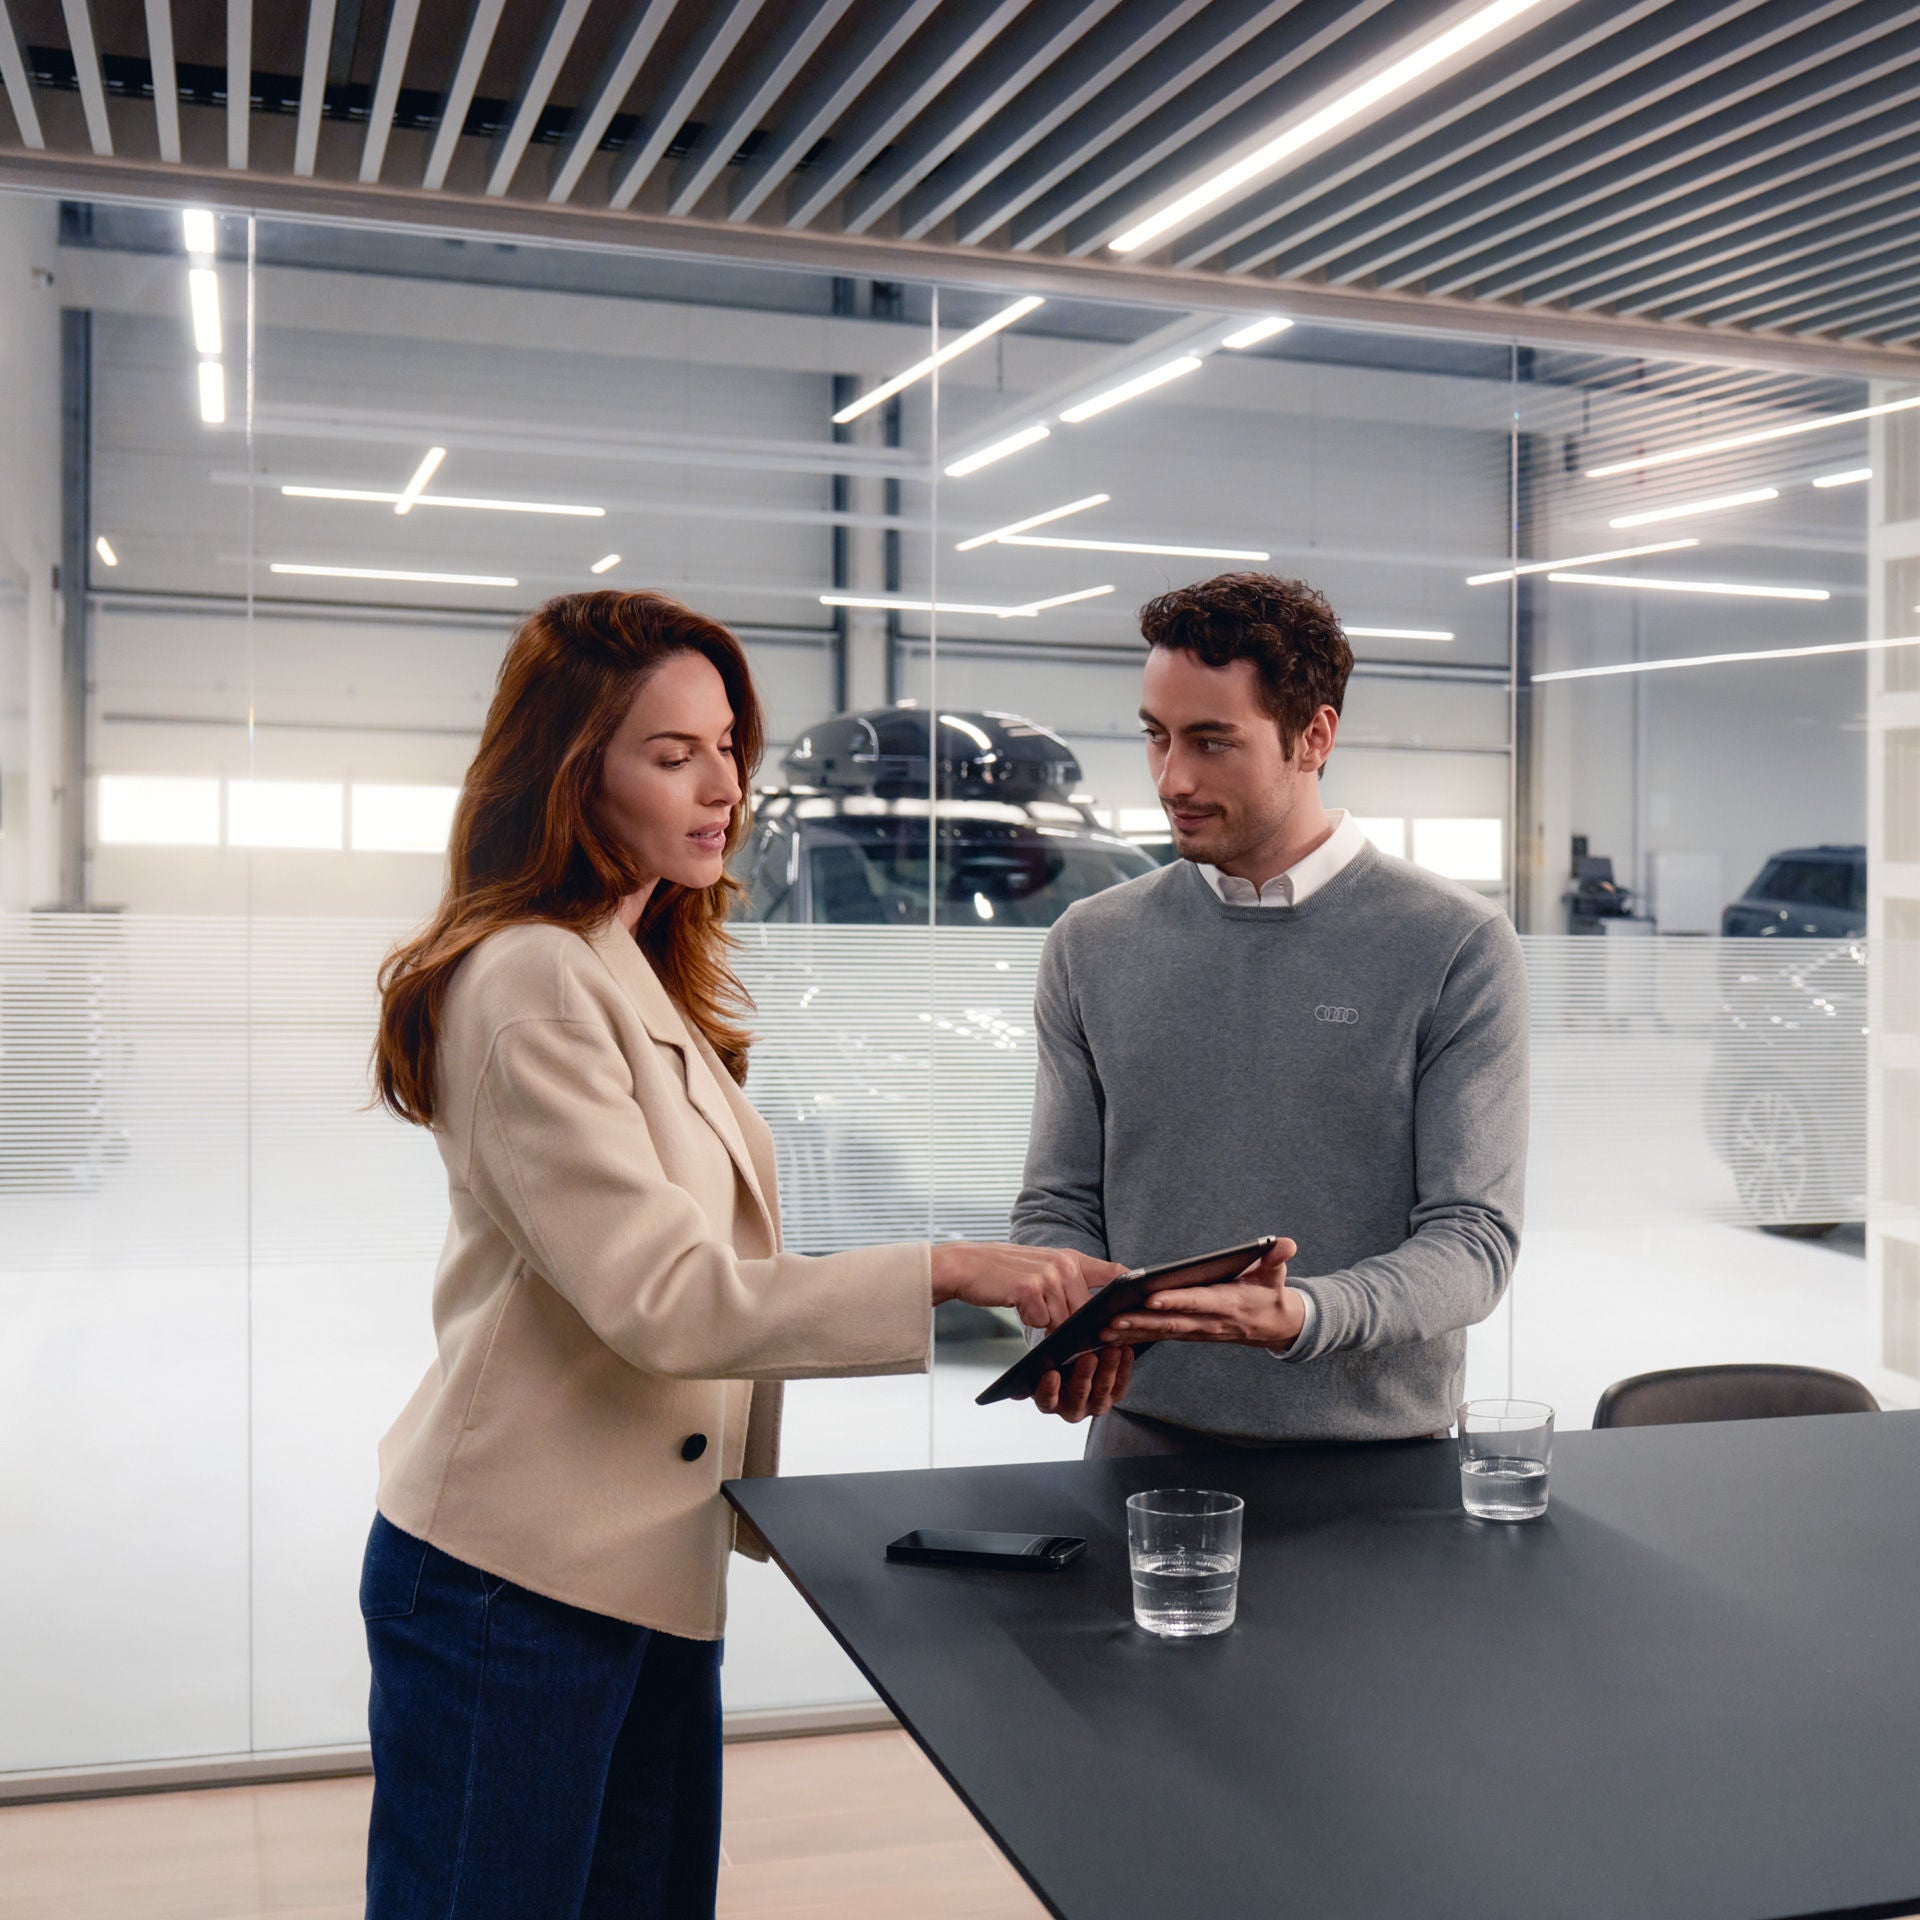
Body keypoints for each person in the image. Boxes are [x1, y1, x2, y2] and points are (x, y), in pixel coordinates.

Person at [361, 589, 1119, 1919]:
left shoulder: (627, 959)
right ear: (571, 774)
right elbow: (667, 1299)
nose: (723, 787)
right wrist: (950, 1270)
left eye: (726, 748)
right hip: (514, 1579)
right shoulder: (533, 978)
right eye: (674, 756)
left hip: (644, 1562)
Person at [1013, 572, 1528, 1453]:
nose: (1172, 778)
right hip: (1139, 1444)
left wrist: (1305, 1316)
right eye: (1156, 736)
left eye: (1212, 742)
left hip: (1378, 1459)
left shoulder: (1455, 943)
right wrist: (1061, 1314)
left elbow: (1473, 1239)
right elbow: (1058, 1204)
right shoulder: (1090, 943)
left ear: (1313, 737)